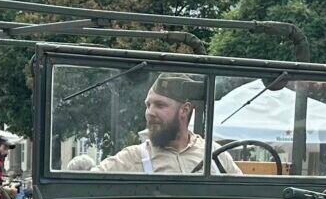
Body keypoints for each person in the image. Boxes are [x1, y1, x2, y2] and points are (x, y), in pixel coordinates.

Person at [95, 74, 242, 175]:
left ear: (185, 110)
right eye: (148, 105)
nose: (149, 113)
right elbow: (84, 185)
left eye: (159, 105)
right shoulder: (131, 158)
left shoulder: (214, 154)